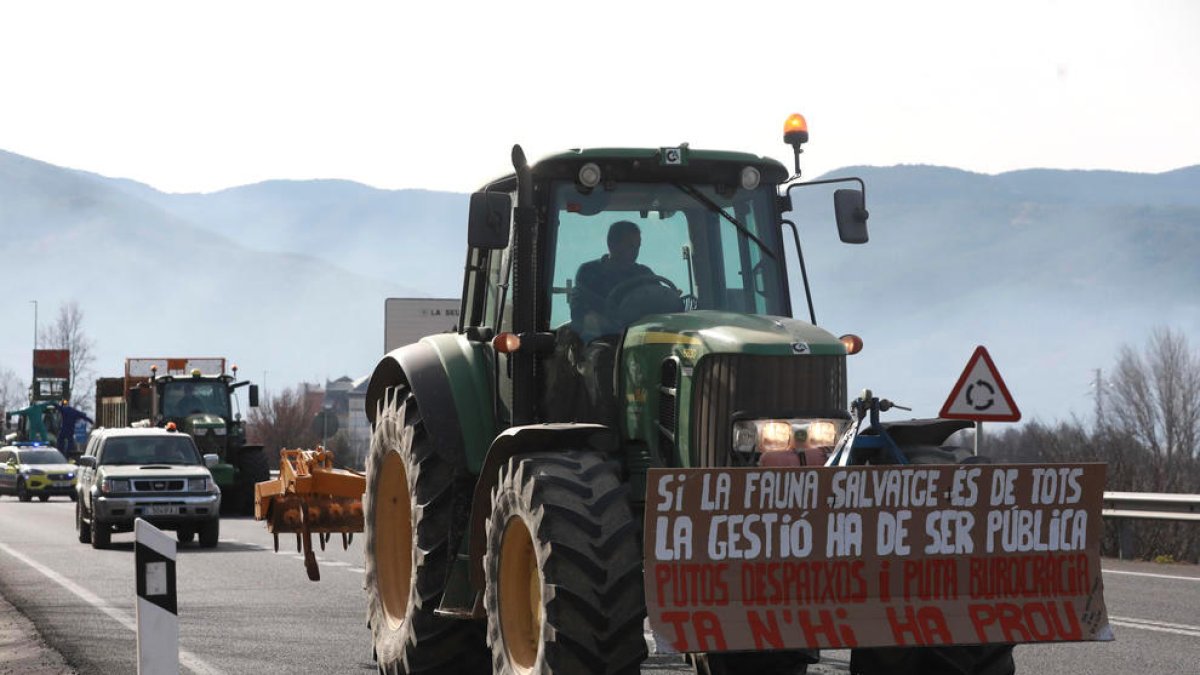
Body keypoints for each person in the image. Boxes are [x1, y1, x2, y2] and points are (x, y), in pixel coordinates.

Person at [570, 220, 655, 340]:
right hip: (600, 341)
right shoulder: (589, 272)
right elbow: (582, 310)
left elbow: (659, 301)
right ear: (611, 244)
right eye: (630, 246)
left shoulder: (645, 275)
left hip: (638, 339)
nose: (635, 251)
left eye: (638, 246)